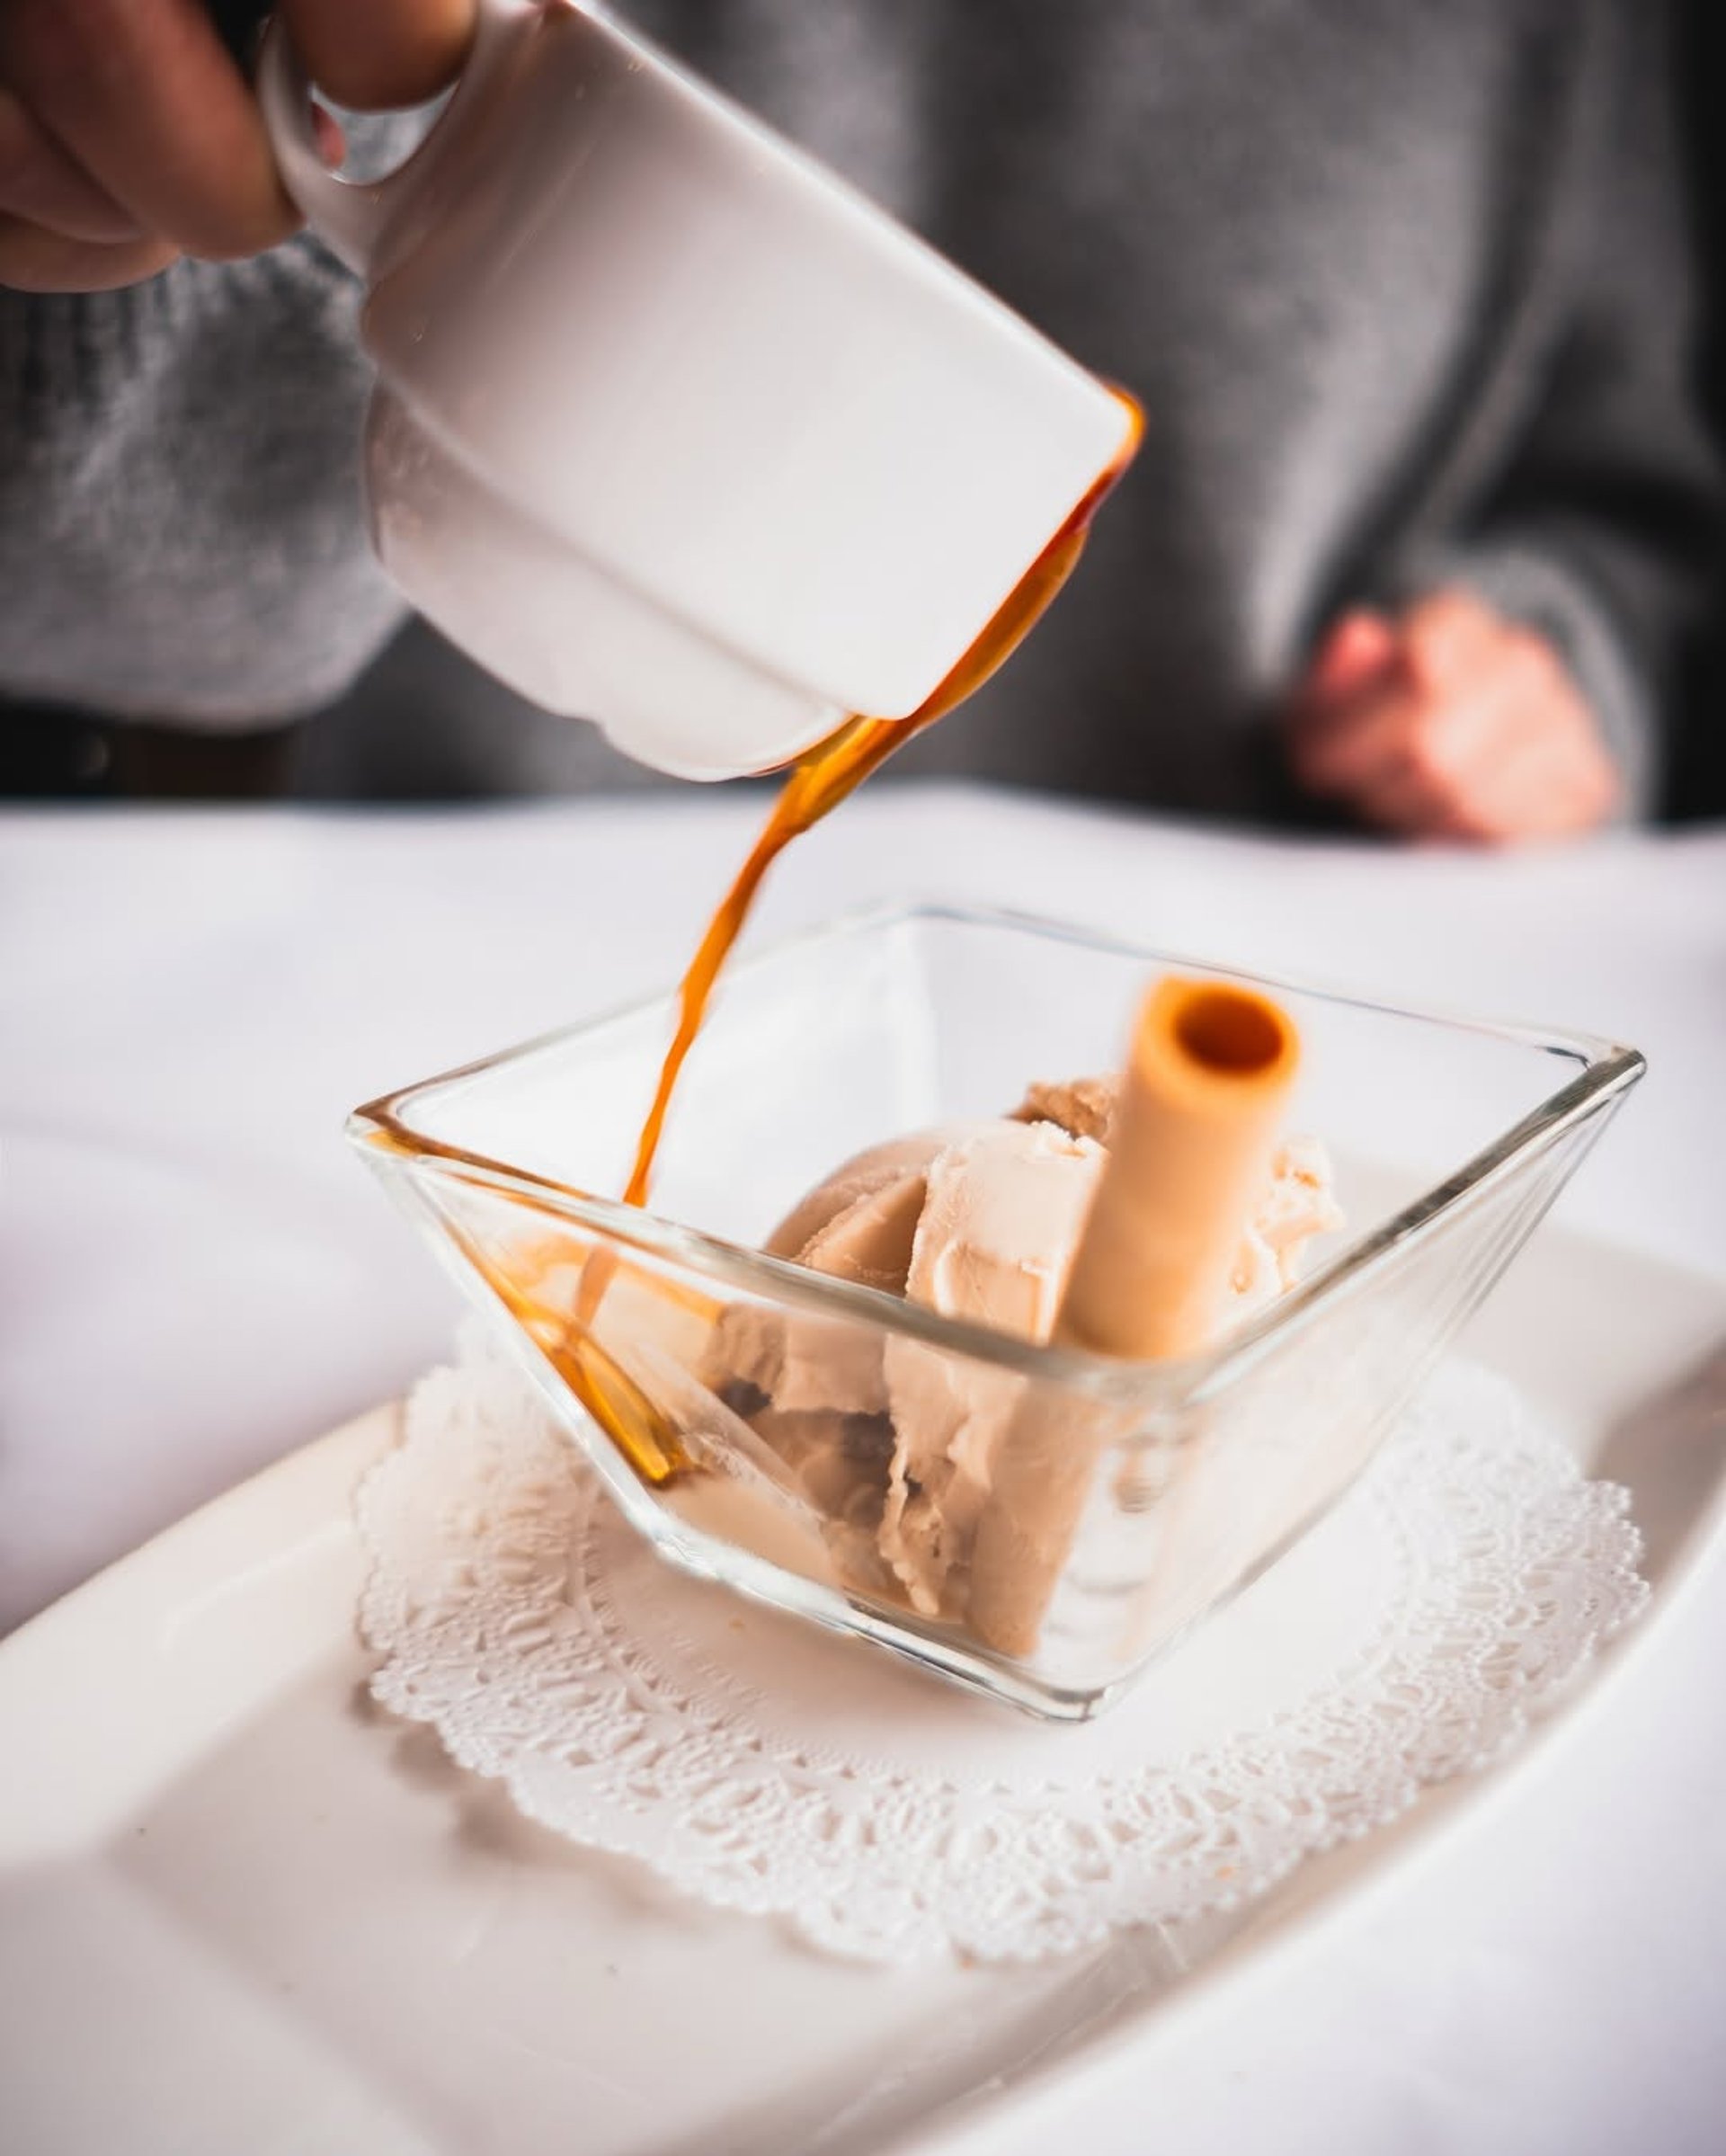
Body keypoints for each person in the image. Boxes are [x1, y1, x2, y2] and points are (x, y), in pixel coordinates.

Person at [1, 0, 1716, 837]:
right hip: (432, 904)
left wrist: (1567, 665)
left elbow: (1637, 517)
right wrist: (242, 185)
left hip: (1236, 957)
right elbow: (109, 609)